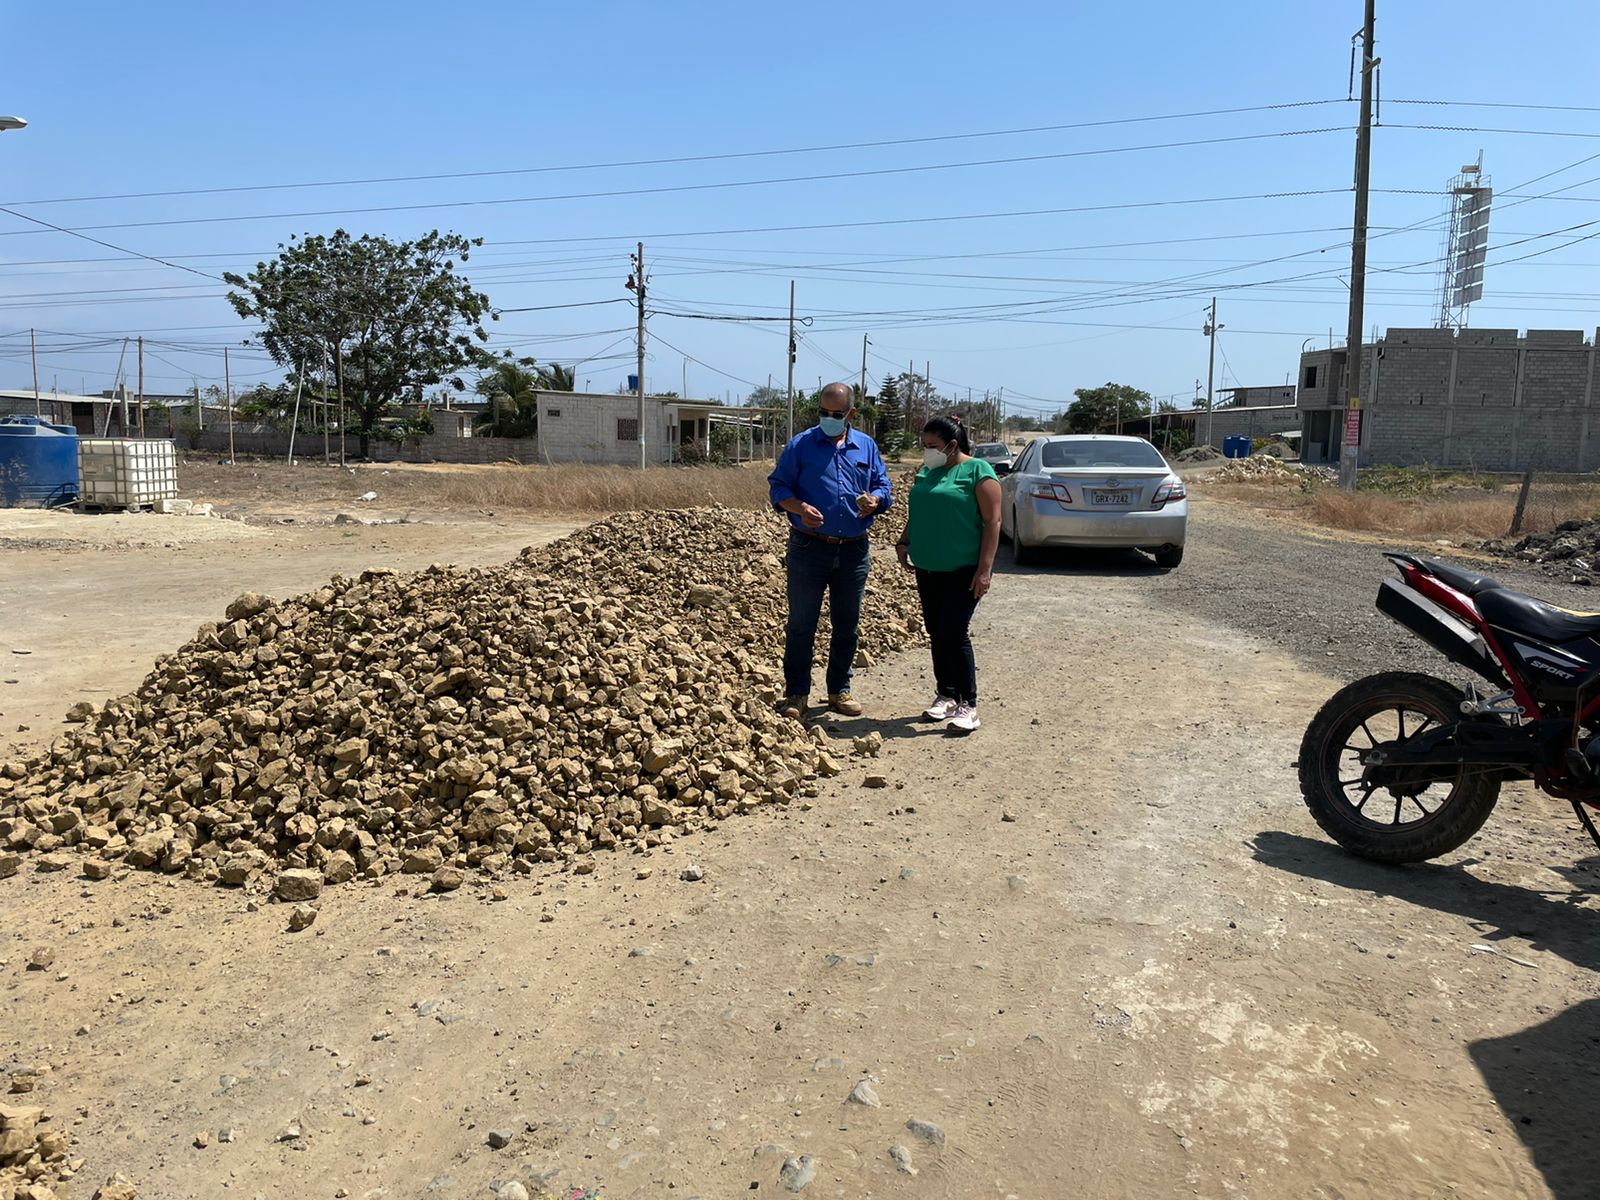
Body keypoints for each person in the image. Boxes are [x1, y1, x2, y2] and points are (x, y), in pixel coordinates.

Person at [767, 382, 893, 719]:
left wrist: (875, 500)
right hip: (809, 548)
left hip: (853, 551)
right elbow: (778, 487)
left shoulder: (866, 447)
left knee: (847, 625)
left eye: (836, 414)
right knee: (801, 624)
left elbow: (884, 486)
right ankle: (797, 694)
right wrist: (799, 507)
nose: (828, 418)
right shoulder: (801, 445)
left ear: (851, 413)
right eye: (823, 412)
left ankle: (839, 690)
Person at [895, 414, 1001, 732]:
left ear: (952, 445)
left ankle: (969, 704)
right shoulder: (927, 471)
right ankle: (947, 695)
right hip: (928, 567)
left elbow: (993, 522)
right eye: (924, 445)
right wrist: (904, 540)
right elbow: (920, 511)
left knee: (954, 632)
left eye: (932, 445)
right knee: (937, 632)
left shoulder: (978, 472)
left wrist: (985, 570)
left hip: (963, 568)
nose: (927, 451)